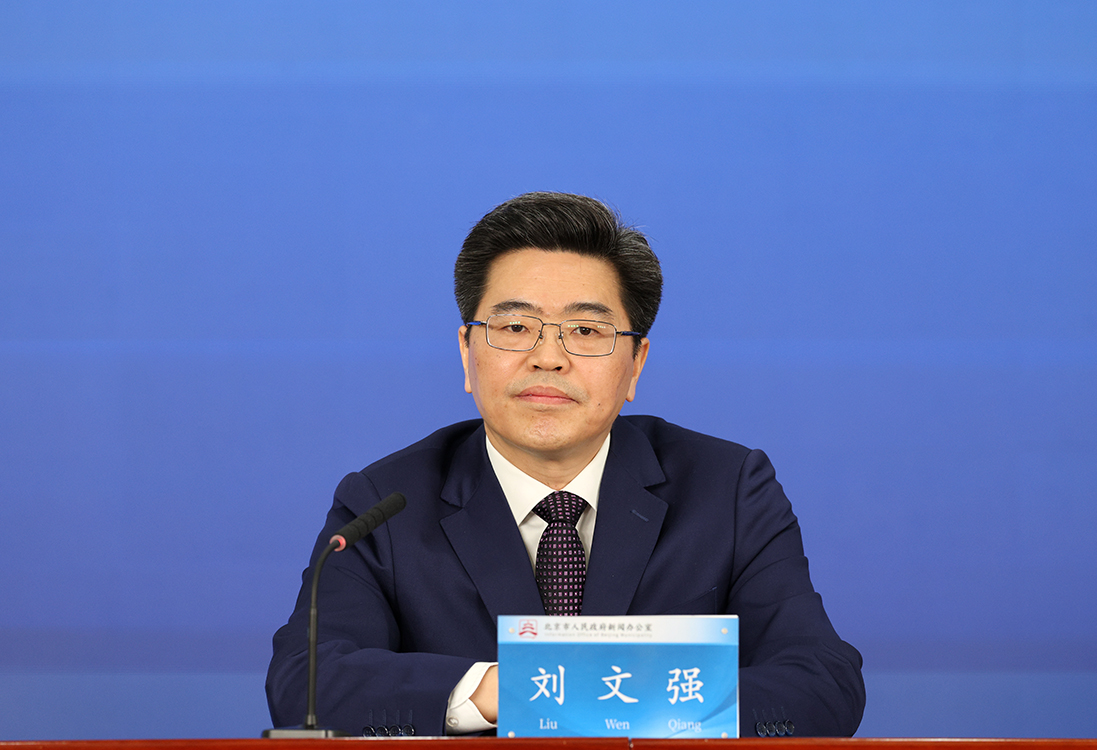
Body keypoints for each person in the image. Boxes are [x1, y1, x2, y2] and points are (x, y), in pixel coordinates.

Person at [266, 192, 865, 737]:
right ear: (467, 353)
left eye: (585, 329)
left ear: (635, 364)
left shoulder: (728, 489)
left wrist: (580, 691)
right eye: (515, 326)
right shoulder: (385, 504)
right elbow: (305, 683)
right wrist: (505, 689)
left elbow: (822, 682)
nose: (548, 357)